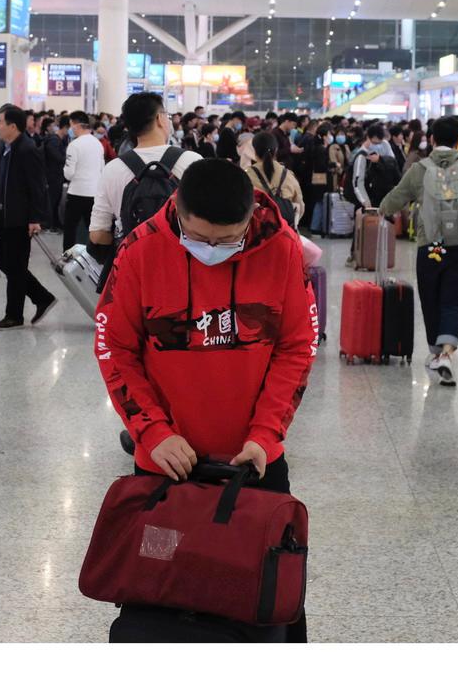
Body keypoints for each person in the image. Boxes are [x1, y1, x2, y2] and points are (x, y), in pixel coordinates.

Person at [94, 158, 317, 640]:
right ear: (177, 208)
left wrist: (266, 435)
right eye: (198, 239)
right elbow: (115, 348)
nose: (211, 252)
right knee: (161, 593)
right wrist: (153, 433)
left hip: (254, 465)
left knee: (261, 601)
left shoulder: (281, 248)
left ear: (250, 217)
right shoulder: (140, 249)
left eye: (227, 241)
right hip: (166, 468)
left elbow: (297, 347)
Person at [379, 117, 458, 386]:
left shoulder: (420, 169)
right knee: (454, 299)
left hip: (432, 245)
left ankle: (436, 351)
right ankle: (447, 353)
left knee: (431, 297)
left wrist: (382, 210)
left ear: (431, 139)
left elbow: (395, 198)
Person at [89, 92, 202, 249]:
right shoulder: (192, 161)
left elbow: (97, 234)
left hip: (131, 259)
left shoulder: (113, 169)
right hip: (181, 257)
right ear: (159, 118)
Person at [0, 106, 57, 330]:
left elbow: (37, 186)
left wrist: (35, 218)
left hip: (19, 218)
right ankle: (42, 297)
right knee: (6, 263)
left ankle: (14, 315)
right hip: (5, 216)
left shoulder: (27, 149)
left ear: (12, 126)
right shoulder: (9, 147)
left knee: (15, 266)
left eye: (0, 122)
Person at [62, 110, 104, 250]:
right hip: (94, 192)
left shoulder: (74, 145)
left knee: (70, 228)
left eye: (71, 125)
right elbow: (102, 169)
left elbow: (69, 174)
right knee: (92, 228)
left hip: (76, 193)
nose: (70, 129)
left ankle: (67, 256)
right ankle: (95, 257)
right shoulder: (98, 144)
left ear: (76, 125)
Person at [246, 131, 304, 227]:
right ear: (276, 150)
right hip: (284, 230)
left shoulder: (246, 175)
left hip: (256, 230)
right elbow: (300, 205)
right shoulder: (289, 175)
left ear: (254, 151)